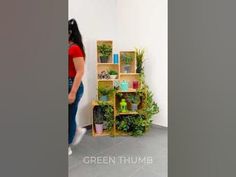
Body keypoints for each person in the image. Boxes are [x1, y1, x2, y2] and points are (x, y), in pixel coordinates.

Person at [68, 19, 86, 156]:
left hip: (72, 85)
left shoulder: (75, 48)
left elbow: (80, 71)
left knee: (68, 117)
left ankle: (67, 145)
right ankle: (77, 130)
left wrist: (73, 93)